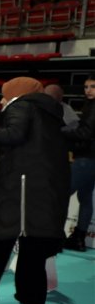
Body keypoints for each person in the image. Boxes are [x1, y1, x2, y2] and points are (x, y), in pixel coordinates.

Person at [0, 77, 69, 304]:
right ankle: (31, 296)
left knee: (1, 241)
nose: (1, 100)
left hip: (19, 188)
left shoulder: (20, 106)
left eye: (4, 95)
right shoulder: (49, 113)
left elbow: (14, 134)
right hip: (42, 188)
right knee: (33, 246)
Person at [61, 74, 95, 252]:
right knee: (86, 198)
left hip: (87, 159)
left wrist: (62, 133)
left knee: (61, 194)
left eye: (92, 86)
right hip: (89, 158)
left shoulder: (93, 107)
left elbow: (85, 134)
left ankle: (57, 235)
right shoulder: (90, 105)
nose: (88, 90)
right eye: (86, 87)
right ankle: (79, 238)